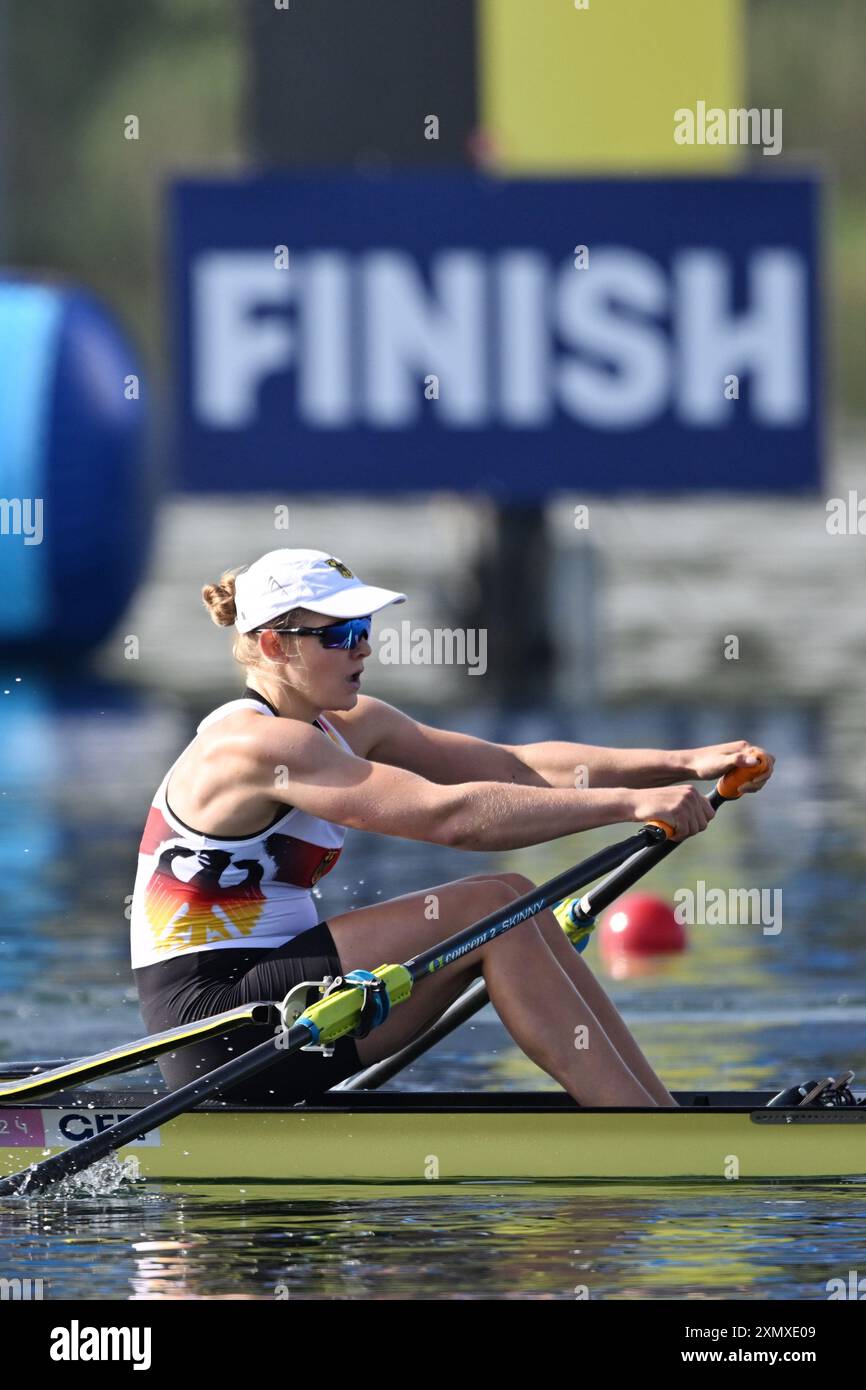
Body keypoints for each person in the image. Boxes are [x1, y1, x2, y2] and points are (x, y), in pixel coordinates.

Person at [130, 548, 773, 1107]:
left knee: (516, 900)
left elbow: (513, 767)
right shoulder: (251, 746)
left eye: (365, 628)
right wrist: (630, 807)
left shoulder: (345, 723)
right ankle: (649, 1138)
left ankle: (652, 1116)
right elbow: (454, 817)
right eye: (340, 633)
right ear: (274, 645)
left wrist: (683, 762)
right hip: (219, 1029)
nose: (363, 647)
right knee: (492, 904)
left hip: (292, 1005)